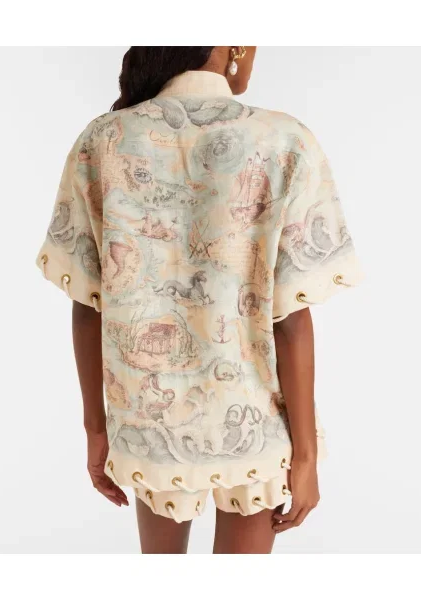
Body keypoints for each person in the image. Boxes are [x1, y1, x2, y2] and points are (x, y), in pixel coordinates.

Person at [37, 46, 362, 554]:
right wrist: (305, 457)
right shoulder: (283, 139)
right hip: (255, 424)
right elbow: (290, 319)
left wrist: (96, 429)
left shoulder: (103, 140)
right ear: (234, 46)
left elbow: (86, 306)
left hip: (149, 425)